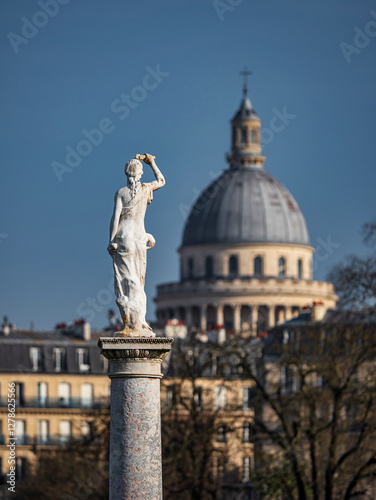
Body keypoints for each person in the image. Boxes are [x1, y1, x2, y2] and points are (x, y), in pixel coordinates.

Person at [107, 154, 165, 337]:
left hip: (124, 238)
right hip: (139, 239)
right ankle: (139, 322)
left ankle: (131, 324)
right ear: (140, 173)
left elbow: (116, 218)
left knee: (125, 281)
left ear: (126, 174)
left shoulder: (121, 193)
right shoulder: (146, 188)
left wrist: (111, 241)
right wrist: (152, 162)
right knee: (138, 282)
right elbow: (161, 180)